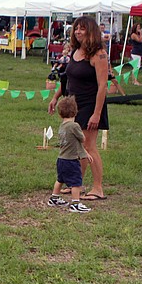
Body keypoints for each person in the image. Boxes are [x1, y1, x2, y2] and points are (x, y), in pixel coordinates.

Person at [48, 16, 108, 201]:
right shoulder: (75, 51)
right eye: (76, 29)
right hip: (74, 105)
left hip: (91, 105)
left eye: (82, 29)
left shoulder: (99, 54)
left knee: (89, 147)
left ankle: (98, 188)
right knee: (76, 146)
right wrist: (56, 97)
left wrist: (97, 114)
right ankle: (77, 183)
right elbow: (68, 79)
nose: (78, 32)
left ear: (91, 31)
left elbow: (103, 85)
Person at [47, 96, 93, 213]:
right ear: (75, 111)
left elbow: (74, 142)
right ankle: (75, 203)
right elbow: (82, 139)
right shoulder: (74, 126)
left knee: (60, 179)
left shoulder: (62, 126)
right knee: (76, 182)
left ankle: (54, 198)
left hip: (61, 159)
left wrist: (85, 153)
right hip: (71, 160)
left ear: (60, 113)